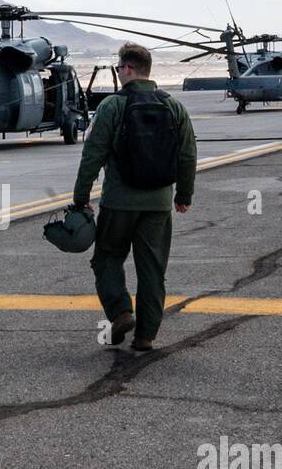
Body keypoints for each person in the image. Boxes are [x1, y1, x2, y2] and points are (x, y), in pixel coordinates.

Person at [71, 43, 197, 351]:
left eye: (118, 68)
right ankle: (146, 336)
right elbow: (188, 154)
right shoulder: (174, 106)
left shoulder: (112, 106)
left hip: (118, 202)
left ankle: (121, 312)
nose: (118, 72)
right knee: (152, 269)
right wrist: (184, 194)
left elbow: (93, 154)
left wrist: (81, 195)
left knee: (107, 258)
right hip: (157, 204)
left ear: (128, 69)